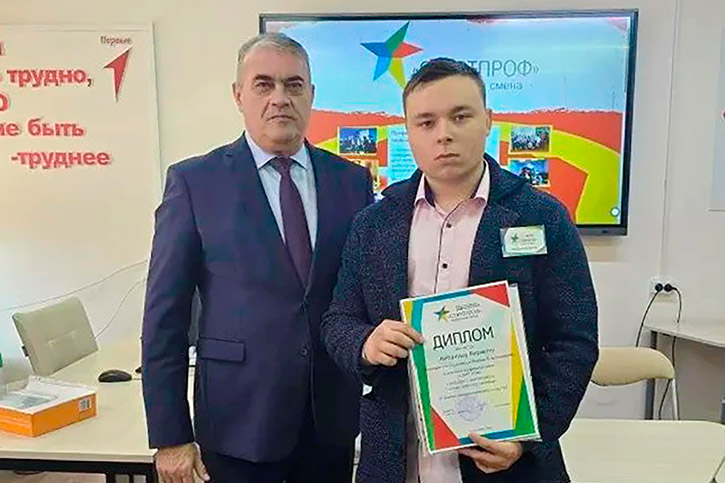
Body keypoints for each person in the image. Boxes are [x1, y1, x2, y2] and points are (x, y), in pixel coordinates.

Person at [321, 58, 598, 482]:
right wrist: (365, 343)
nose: (443, 134)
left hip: (506, 464)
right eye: (426, 122)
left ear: (488, 120)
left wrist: (528, 436)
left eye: (460, 116)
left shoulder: (541, 217)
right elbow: (338, 319)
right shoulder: (374, 223)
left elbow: (573, 340)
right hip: (395, 462)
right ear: (409, 131)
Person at [142, 32, 373, 483]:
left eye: (293, 85)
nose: (279, 98)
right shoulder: (195, 183)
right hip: (236, 422)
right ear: (238, 95)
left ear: (311, 95)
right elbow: (164, 317)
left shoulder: (351, 182)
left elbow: (364, 294)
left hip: (329, 420)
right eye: (264, 84)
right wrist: (171, 436)